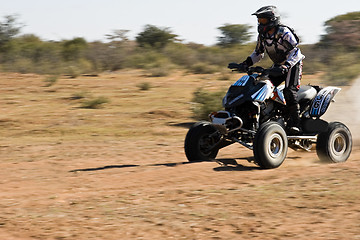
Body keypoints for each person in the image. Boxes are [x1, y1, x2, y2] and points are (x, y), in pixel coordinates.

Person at [228, 5, 305, 134]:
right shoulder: (263, 35)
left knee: (289, 92)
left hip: (293, 64)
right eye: (259, 20)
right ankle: (267, 117)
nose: (260, 23)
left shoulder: (283, 32)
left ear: (273, 19)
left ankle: (296, 124)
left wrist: (286, 66)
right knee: (261, 87)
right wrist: (245, 64)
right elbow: (258, 53)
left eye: (263, 20)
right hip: (278, 65)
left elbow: (295, 52)